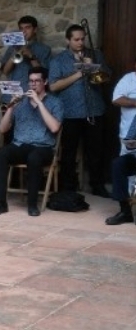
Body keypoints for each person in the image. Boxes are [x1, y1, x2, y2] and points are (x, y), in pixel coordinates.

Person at [0, 67, 63, 217]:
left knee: (34, 158)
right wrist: (10, 107)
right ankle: (1, 203)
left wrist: (39, 103)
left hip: (44, 147)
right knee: (1, 153)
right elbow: (2, 129)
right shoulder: (21, 103)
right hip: (20, 145)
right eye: (31, 81)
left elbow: (55, 128)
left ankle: (32, 204)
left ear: (45, 82)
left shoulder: (55, 102)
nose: (33, 84)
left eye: (37, 81)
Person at [48, 24, 109, 197]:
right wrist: (81, 73)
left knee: (96, 151)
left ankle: (98, 185)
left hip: (94, 109)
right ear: (68, 40)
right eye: (76, 39)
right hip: (70, 112)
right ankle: (68, 187)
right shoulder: (58, 60)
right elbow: (53, 86)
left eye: (82, 39)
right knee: (69, 152)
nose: (80, 42)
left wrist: (94, 68)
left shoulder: (95, 55)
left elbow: (105, 78)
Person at [0, 16, 52, 143]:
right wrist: (15, 54)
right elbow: (5, 71)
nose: (24, 31)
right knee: (8, 137)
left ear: (35, 30)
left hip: (32, 98)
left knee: (28, 136)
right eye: (21, 28)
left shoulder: (44, 49)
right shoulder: (12, 48)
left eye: (27, 28)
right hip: (12, 97)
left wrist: (31, 56)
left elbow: (43, 73)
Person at [105, 58, 136, 224]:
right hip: (130, 139)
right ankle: (125, 211)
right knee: (119, 165)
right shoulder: (128, 79)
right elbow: (116, 99)